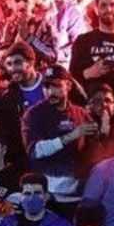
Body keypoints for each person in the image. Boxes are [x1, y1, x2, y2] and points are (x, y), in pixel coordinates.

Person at [22, 65, 96, 210]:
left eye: (56, 86)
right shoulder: (33, 115)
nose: (50, 92)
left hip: (77, 193)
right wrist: (70, 137)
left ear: (68, 85)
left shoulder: (81, 114)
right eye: (46, 87)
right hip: (46, 194)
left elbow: (94, 152)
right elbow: (34, 151)